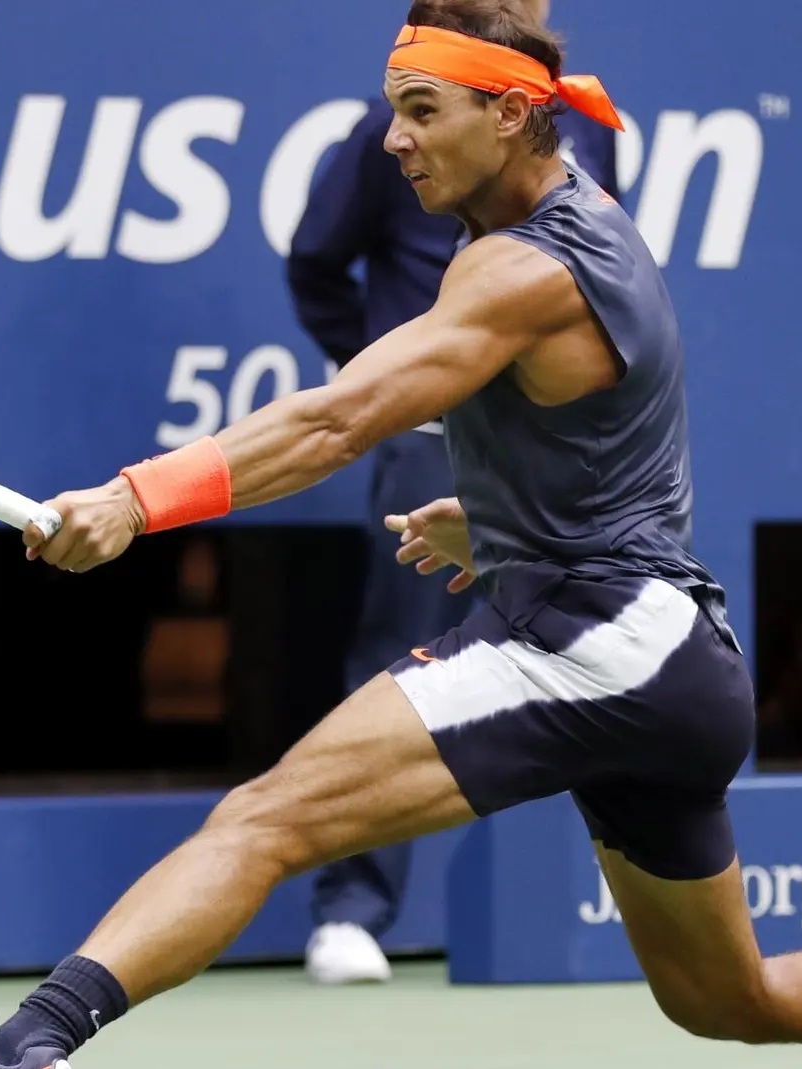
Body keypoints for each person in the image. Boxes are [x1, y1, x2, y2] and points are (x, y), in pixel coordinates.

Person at [0, 3, 802, 1068]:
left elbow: (339, 418)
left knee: (267, 818)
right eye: (391, 106)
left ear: (512, 117)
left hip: (598, 640)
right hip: (665, 653)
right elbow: (613, 438)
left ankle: (24, 1041)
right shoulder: (579, 225)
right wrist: (498, 521)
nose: (391, 137)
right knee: (724, 999)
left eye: (422, 111)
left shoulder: (522, 268)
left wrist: (136, 499)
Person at [281, 0, 618, 985]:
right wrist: (391, 374)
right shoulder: (404, 130)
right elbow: (315, 260)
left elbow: (601, 275)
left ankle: (592, 895)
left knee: (593, 650)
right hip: (438, 437)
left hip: (558, 444)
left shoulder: (581, 130)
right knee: (404, 661)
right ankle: (350, 912)